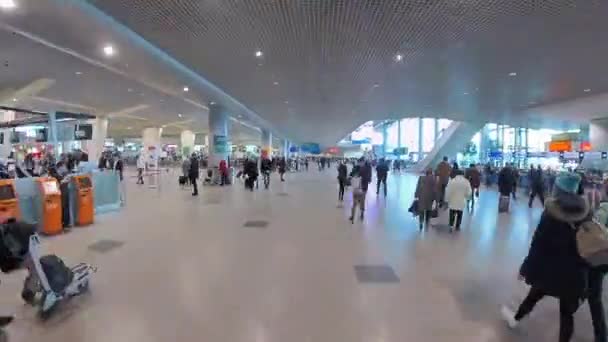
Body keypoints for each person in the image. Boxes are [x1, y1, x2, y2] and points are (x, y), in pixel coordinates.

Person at [501, 172, 590, 342]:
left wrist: (526, 268)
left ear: (558, 189)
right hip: (575, 273)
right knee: (566, 314)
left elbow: (538, 244)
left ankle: (515, 318)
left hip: (549, 270)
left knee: (533, 296)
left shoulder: (551, 212)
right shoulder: (585, 212)